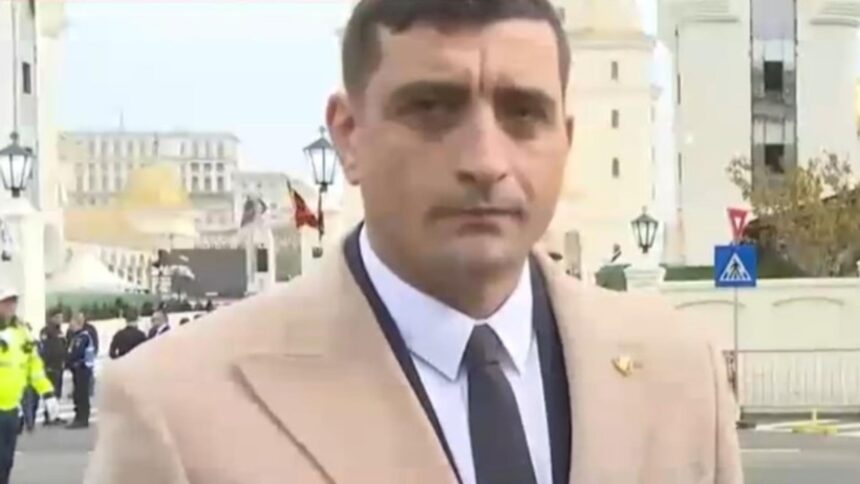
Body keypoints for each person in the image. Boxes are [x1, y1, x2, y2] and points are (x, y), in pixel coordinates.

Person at [85, 1, 742, 482]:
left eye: (523, 113)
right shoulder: (175, 409)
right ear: (348, 135)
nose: (485, 161)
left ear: (565, 138)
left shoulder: (682, 376)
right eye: (432, 108)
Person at [0, 288, 60, 483]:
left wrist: (48, 393)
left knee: (6, 461)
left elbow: (34, 367)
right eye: (6, 303)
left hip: (11, 409)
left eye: (13, 302)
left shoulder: (22, 333)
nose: (11, 307)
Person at [66, 315, 95, 429]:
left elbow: (77, 353)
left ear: (77, 323)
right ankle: (79, 416)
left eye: (72, 322)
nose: (70, 324)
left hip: (82, 369)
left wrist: (68, 360)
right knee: (78, 394)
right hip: (78, 369)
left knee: (81, 395)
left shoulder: (82, 337)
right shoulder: (77, 336)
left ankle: (82, 418)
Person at [38, 311, 67, 426]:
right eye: (58, 317)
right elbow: (46, 349)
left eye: (61, 317)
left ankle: (54, 414)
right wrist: (47, 364)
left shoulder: (59, 331)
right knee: (50, 391)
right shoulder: (46, 331)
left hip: (59, 365)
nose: (60, 320)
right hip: (51, 366)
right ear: (52, 318)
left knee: (57, 391)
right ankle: (50, 416)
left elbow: (63, 346)